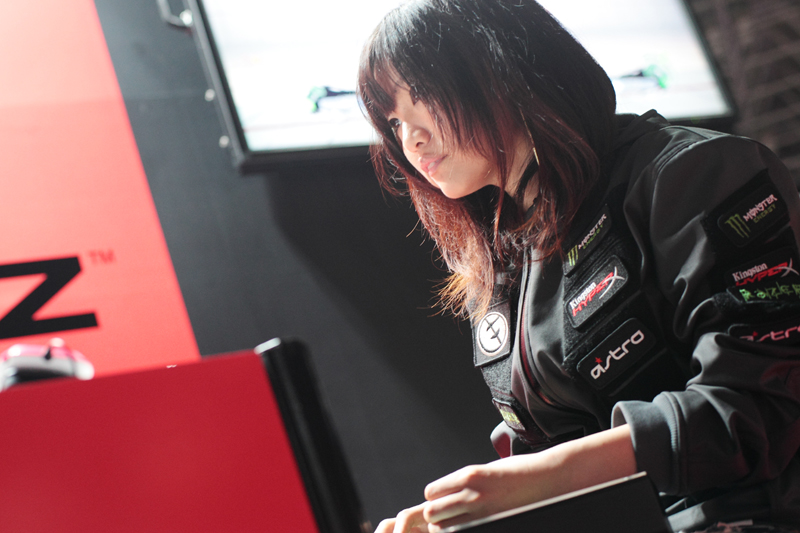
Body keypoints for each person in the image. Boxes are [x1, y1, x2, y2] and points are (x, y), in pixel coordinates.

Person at [356, 1, 800, 532]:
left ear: (503, 66)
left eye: (422, 96)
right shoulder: (505, 260)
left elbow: (761, 407)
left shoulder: (691, 172)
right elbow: (547, 466)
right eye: (393, 120)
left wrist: (542, 480)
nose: (410, 138)